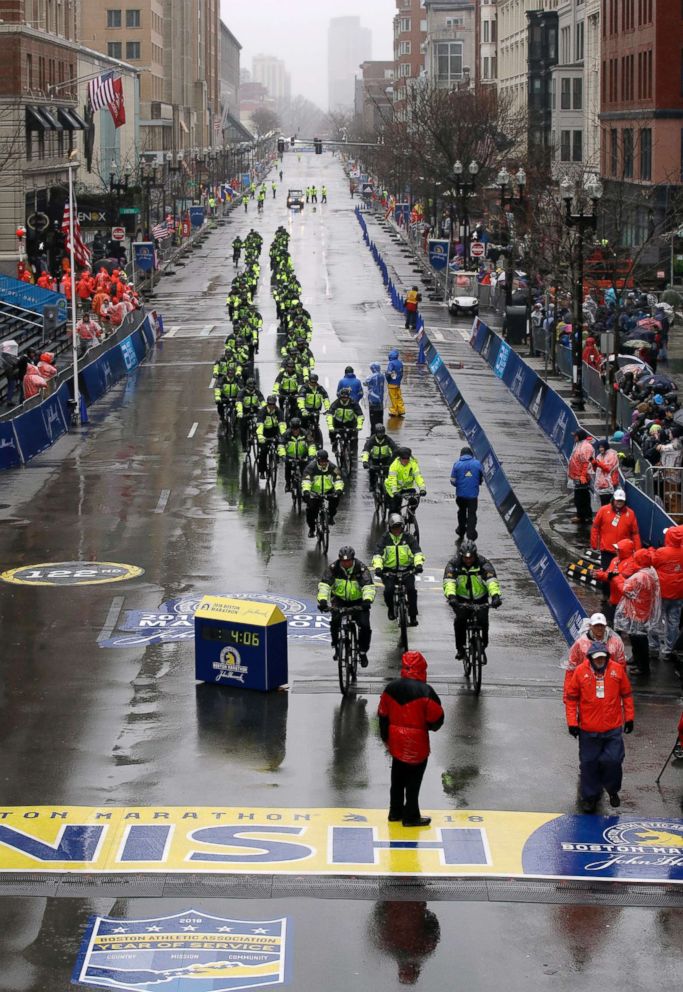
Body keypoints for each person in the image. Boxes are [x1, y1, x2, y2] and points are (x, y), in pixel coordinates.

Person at [565, 642, 634, 812]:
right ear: (590, 658)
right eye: (597, 658)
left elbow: (626, 694)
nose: (600, 661)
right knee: (589, 764)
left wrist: (629, 718)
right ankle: (590, 797)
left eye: (603, 658)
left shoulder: (617, 670)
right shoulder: (580, 672)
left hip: (612, 729)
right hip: (588, 730)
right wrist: (572, 722)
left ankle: (612, 790)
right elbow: (571, 698)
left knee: (613, 761)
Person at [378, 650, 444, 827]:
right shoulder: (426, 691)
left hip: (396, 740)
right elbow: (437, 719)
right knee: (413, 782)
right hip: (417, 742)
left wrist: (386, 737)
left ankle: (395, 811)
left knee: (397, 777)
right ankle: (411, 815)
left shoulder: (390, 688)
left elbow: (383, 713)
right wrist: (428, 727)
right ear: (422, 668)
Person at [443, 540, 501, 661]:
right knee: (460, 621)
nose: (468, 561)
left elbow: (491, 581)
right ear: (461, 556)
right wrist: (451, 597)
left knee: (483, 621)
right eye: (465, 558)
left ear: (475, 555)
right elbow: (449, 583)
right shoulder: (453, 564)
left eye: (471, 558)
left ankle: (483, 645)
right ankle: (460, 649)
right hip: (461, 600)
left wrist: (495, 596)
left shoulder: (484, 564)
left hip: (480, 599)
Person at [317, 546, 375, 667]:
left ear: (353, 559)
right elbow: (324, 585)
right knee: (335, 621)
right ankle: (336, 644)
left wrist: (367, 600)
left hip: (359, 601)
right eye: (343, 561)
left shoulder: (361, 568)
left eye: (348, 561)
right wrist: (322, 600)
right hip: (339, 600)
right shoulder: (333, 568)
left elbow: (368, 587)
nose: (346, 563)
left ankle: (363, 652)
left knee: (365, 626)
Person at [635, 525, 683, 662]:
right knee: (673, 622)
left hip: (661, 593)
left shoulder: (661, 552)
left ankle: (654, 648)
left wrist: (650, 549)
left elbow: (650, 560)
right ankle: (669, 649)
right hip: (679, 593)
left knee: (655, 620)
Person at [373, 513, 425, 626]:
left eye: (399, 527)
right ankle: (391, 609)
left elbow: (417, 552)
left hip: (407, 571)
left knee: (411, 590)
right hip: (389, 572)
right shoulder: (385, 539)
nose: (397, 530)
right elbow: (377, 555)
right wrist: (378, 568)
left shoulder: (408, 538)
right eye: (394, 528)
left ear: (403, 527)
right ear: (390, 528)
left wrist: (418, 565)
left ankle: (413, 616)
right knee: (388, 591)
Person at [563, 612, 627, 698]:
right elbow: (571, 669)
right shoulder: (580, 643)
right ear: (590, 626)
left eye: (601, 625)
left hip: (610, 685)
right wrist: (567, 695)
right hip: (586, 685)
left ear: (606, 626)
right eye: (596, 626)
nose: (599, 628)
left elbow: (621, 668)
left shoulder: (616, 643)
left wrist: (623, 691)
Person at [590, 488, 641, 571]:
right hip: (607, 551)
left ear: (624, 501)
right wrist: (594, 543)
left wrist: (638, 550)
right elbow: (595, 527)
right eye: (617, 500)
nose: (619, 502)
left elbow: (635, 533)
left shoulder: (631, 513)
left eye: (621, 500)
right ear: (613, 499)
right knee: (607, 574)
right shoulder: (603, 510)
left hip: (624, 552)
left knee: (621, 575)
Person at [302, 449, 344, 537]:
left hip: (328, 490)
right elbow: (306, 480)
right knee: (311, 511)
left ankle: (331, 517)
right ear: (318, 460)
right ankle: (312, 529)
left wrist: (338, 490)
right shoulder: (311, 467)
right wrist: (306, 491)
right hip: (314, 492)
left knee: (335, 501)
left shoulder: (333, 467)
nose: (323, 463)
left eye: (325, 461)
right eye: (321, 461)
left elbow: (338, 479)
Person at [450, 446, 483, 540]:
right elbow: (481, 478)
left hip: (461, 495)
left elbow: (452, 480)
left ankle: (461, 530)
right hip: (473, 496)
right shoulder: (477, 464)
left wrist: (459, 485)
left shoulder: (457, 464)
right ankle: (470, 534)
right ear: (471, 454)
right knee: (472, 514)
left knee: (462, 512)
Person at [278, 417, 316, 492]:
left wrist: (311, 455)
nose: (295, 430)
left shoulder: (305, 433)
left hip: (302, 456)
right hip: (290, 457)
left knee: (305, 471)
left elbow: (311, 444)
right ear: (291, 428)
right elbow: (281, 445)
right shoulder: (286, 434)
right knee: (288, 468)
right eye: (293, 428)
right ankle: (288, 484)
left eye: (297, 428)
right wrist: (283, 456)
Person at [385, 447, 426, 515]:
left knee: (414, 500)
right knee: (394, 510)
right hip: (394, 488)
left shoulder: (413, 464)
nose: (406, 460)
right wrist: (395, 492)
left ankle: (410, 515)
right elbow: (392, 479)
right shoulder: (394, 465)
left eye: (407, 458)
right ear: (400, 458)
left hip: (408, 488)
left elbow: (418, 477)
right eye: (404, 458)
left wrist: (422, 489)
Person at [256, 395, 286, 477]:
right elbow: (260, 425)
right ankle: (262, 471)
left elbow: (281, 424)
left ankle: (274, 460)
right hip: (264, 433)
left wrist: (284, 435)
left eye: (273, 404)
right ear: (267, 403)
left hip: (274, 432)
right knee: (263, 451)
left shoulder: (279, 411)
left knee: (279, 446)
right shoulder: (262, 411)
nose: (271, 406)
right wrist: (260, 436)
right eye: (270, 404)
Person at [568, 428, 594, 523]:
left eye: (575, 436)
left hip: (582, 477)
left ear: (580, 436)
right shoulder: (579, 444)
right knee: (580, 496)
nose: (574, 437)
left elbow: (586, 463)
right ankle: (582, 515)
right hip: (577, 476)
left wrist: (583, 476)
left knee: (581, 497)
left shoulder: (585, 447)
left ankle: (584, 516)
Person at [590, 438, 621, 505]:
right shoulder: (599, 456)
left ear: (606, 447)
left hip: (610, 484)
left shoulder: (612, 455)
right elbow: (596, 470)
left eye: (602, 447)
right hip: (601, 484)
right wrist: (594, 464)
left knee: (609, 504)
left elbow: (608, 468)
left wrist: (598, 463)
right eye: (599, 447)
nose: (601, 449)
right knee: (603, 504)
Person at [364, 362, 386, 431]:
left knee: (373, 417)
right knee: (380, 416)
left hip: (373, 400)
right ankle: (380, 428)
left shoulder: (371, 377)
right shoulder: (382, 376)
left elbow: (365, 383)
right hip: (380, 399)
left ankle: (374, 430)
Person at [386, 349, 405, 417]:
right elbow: (402, 373)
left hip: (392, 383)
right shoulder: (400, 363)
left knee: (392, 398)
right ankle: (401, 410)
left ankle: (393, 411)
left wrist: (387, 377)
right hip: (398, 383)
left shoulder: (391, 363)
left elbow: (389, 372)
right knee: (399, 397)